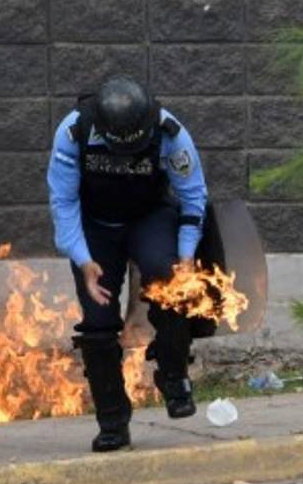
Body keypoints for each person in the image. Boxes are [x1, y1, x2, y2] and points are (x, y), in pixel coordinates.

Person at [47, 75, 208, 452]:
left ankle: (173, 376)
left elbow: (193, 197)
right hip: (96, 225)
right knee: (98, 321)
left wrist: (186, 255)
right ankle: (113, 422)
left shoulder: (169, 132)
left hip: (148, 217)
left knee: (170, 283)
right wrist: (83, 260)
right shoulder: (73, 132)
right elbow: (63, 203)